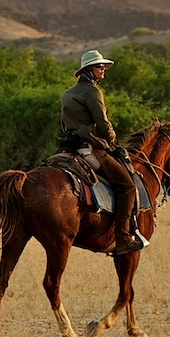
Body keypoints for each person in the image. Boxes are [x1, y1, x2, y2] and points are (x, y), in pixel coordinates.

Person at [60, 50, 144, 255]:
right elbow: (103, 124)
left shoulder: (67, 93)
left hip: (68, 149)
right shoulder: (92, 92)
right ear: (88, 70)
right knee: (128, 187)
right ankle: (123, 238)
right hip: (90, 150)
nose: (103, 69)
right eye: (99, 66)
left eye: (104, 66)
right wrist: (112, 139)